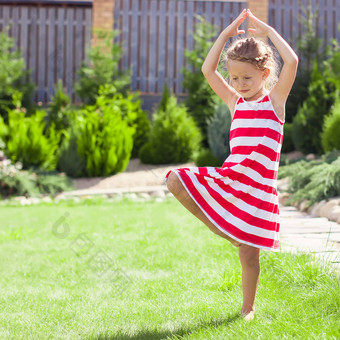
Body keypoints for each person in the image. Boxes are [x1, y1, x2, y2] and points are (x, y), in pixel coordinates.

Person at [164, 9, 298, 321]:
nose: (239, 83)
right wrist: (225, 35)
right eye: (234, 78)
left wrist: (266, 30)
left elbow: (291, 62)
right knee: (174, 180)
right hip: (232, 181)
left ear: (265, 75)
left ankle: (247, 310)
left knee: (249, 256)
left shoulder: (275, 102)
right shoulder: (234, 102)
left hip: (259, 191)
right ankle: (229, 228)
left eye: (246, 78)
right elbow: (207, 70)